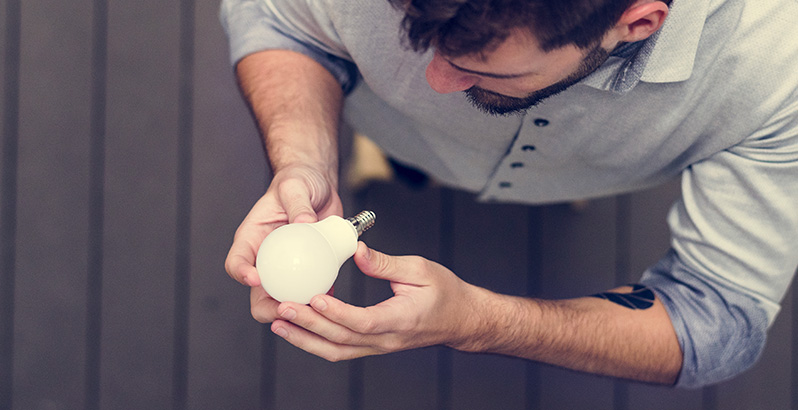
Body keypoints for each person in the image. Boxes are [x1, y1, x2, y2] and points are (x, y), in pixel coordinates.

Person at [219, 0, 798, 388]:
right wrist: (303, 155)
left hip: (574, 177)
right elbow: (277, 17)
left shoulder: (778, 70)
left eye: (489, 71)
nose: (438, 82)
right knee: (407, 152)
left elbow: (718, 315)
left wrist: (479, 321)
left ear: (639, 22)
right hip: (399, 134)